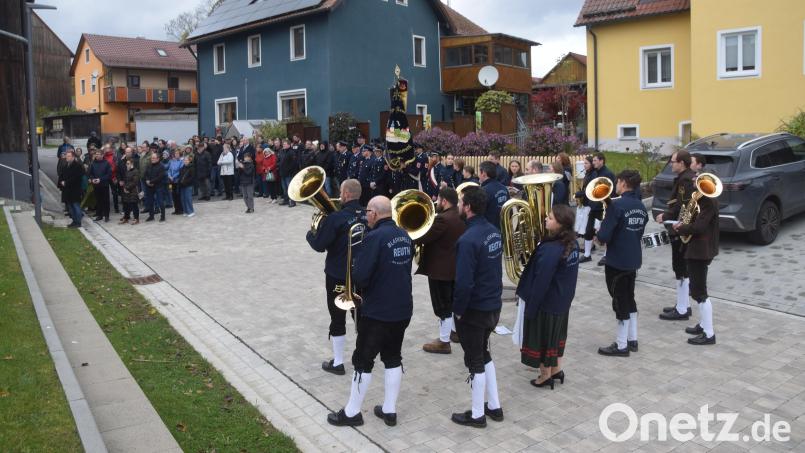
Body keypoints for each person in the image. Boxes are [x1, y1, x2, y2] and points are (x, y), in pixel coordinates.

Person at [327, 196, 413, 428]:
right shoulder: (405, 235)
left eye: (368, 212)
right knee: (393, 357)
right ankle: (389, 410)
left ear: (374, 213)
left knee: (363, 360)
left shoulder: (373, 238)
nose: (365, 216)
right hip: (402, 308)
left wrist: (355, 266)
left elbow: (361, 277)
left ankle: (352, 412)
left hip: (378, 311)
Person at [450, 186, 504, 428]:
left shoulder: (467, 240)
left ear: (468, 207)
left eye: (461, 202)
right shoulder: (492, 231)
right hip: (492, 303)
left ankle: (476, 415)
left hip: (474, 308)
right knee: (484, 353)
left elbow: (463, 282)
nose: (459, 205)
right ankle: (494, 406)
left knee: (474, 360)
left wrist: (458, 311)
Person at [306, 179, 366, 376]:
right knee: (361, 315)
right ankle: (364, 356)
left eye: (341, 192)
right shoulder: (368, 215)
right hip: (362, 275)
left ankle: (338, 362)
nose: (339, 195)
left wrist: (311, 232)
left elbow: (318, 245)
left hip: (337, 275)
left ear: (346, 194)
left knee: (337, 316)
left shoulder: (335, 218)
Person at [516, 205, 579, 388]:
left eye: (550, 218)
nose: (546, 220)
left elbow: (541, 282)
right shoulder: (572, 243)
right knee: (556, 336)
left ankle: (544, 376)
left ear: (560, 224)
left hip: (546, 304)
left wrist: (531, 309)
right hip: (562, 301)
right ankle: (557, 369)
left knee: (543, 338)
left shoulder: (551, 249)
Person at [595, 170, 648, 357]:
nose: (615, 185)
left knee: (619, 301)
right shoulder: (641, 206)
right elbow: (637, 232)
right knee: (629, 298)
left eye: (617, 182)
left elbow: (604, 236)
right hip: (633, 259)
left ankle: (621, 345)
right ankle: (632, 339)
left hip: (617, 261)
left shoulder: (617, 207)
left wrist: (598, 234)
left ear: (623, 183)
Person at [415, 187, 466, 354]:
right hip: (455, 268)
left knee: (442, 306)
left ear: (444, 201)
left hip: (440, 271)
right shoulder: (461, 216)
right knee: (452, 302)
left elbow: (422, 236)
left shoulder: (442, 219)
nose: (437, 202)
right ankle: (456, 333)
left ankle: (444, 342)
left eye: (438, 200)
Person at [672, 175, 719, 346]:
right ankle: (703, 324)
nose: (693, 184)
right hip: (697, 249)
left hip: (701, 250)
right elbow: (691, 217)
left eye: (696, 182)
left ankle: (709, 334)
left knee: (700, 292)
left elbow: (699, 227)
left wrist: (681, 228)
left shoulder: (708, 202)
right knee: (697, 290)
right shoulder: (700, 199)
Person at [657, 150, 697, 321]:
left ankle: (682, 309)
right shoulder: (687, 177)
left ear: (681, 163)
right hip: (682, 227)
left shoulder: (685, 180)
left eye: (673, 161)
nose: (671, 164)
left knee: (680, 267)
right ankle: (683, 305)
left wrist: (666, 216)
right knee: (681, 268)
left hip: (681, 229)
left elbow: (684, 207)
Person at [590, 153, 616, 266]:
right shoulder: (596, 173)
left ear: (602, 161)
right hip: (597, 206)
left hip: (605, 206)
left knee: (606, 231)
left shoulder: (608, 174)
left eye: (595, 160)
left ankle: (607, 255)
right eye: (593, 161)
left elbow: (611, 191)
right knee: (597, 230)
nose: (593, 163)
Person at [478, 161, 509, 230]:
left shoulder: (483, 190)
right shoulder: (504, 188)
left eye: (479, 172)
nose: (478, 175)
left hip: (488, 230)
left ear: (484, 173)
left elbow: (479, 214)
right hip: (502, 229)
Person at [59, 150, 85, 227]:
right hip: (67, 190)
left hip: (75, 190)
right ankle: (74, 221)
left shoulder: (77, 166)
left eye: (69, 156)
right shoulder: (66, 165)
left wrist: (66, 182)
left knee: (76, 206)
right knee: (70, 207)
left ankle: (78, 222)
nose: (67, 158)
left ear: (73, 157)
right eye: (66, 156)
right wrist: (61, 182)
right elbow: (62, 175)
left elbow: (76, 178)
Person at [87, 150, 112, 222]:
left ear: (102, 155)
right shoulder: (93, 163)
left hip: (104, 185)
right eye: (96, 154)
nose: (97, 155)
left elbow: (109, 174)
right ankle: (99, 215)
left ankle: (106, 216)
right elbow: (90, 173)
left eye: (98, 154)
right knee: (98, 201)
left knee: (105, 201)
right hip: (96, 185)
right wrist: (91, 179)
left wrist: (100, 179)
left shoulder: (106, 163)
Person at [143, 152, 167, 222]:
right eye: (151, 158)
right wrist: (147, 180)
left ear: (158, 159)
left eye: (154, 158)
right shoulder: (149, 165)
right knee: (150, 201)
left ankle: (163, 216)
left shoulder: (161, 166)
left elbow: (160, 177)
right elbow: (146, 174)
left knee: (160, 202)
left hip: (158, 186)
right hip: (149, 186)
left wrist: (151, 182)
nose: (152, 159)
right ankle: (151, 216)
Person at [120, 157, 140, 224]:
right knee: (126, 205)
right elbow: (125, 181)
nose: (127, 165)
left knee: (134, 205)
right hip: (126, 190)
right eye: (126, 164)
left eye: (128, 164)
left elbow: (135, 182)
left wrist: (127, 188)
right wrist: (125, 188)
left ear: (132, 164)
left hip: (133, 191)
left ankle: (136, 218)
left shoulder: (135, 171)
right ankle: (126, 217)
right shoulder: (127, 171)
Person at [278, 139, 298, 207]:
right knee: (284, 188)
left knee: (290, 188)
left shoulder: (291, 152)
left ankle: (293, 201)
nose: (283, 145)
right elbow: (279, 160)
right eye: (283, 144)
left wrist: (288, 170)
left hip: (289, 174)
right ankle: (286, 200)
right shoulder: (281, 151)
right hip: (282, 173)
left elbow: (293, 164)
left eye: (285, 144)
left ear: (289, 145)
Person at [168, 149, 185, 215]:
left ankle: (180, 209)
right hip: (171, 181)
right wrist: (169, 176)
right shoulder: (172, 161)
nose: (176, 154)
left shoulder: (181, 161)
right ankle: (176, 209)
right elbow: (169, 170)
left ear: (180, 154)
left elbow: (180, 171)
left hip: (177, 181)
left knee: (178, 195)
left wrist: (173, 177)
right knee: (173, 195)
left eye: (177, 153)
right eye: (175, 153)